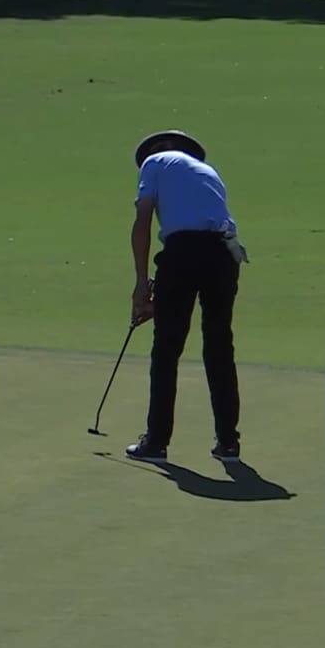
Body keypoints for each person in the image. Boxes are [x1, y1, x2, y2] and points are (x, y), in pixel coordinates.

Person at [123, 131, 248, 464]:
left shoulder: (153, 163)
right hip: (225, 254)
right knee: (220, 346)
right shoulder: (209, 172)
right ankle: (229, 443)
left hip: (183, 254)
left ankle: (156, 443)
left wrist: (141, 285)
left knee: (167, 348)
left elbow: (143, 221)